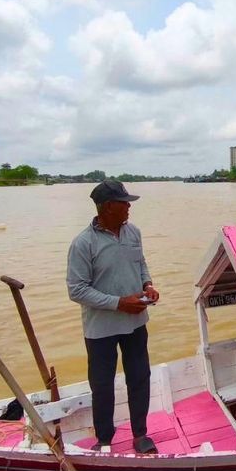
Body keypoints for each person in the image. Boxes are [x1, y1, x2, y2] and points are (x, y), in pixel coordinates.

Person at [66, 180, 160, 453]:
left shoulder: (134, 233)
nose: (129, 206)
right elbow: (77, 290)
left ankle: (140, 434)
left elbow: (140, 264)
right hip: (101, 328)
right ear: (108, 207)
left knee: (140, 377)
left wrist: (148, 286)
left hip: (135, 322)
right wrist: (118, 303)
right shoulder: (83, 243)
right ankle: (104, 438)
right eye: (124, 202)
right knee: (102, 384)